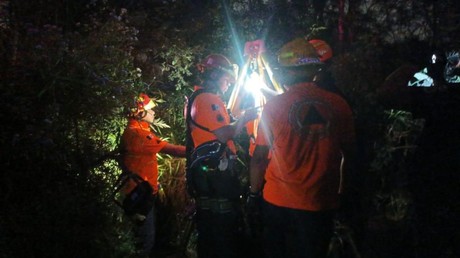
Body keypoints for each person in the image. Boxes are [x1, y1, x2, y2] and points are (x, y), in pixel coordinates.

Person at [248, 38, 356, 258]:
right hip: (320, 204)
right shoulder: (339, 105)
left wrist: (253, 193)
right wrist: (344, 194)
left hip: (277, 202)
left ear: (285, 72)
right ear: (315, 70)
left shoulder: (274, 106)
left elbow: (259, 158)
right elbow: (351, 156)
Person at [184, 54, 258, 258]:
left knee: (211, 225)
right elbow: (225, 133)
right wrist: (245, 119)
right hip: (216, 175)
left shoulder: (198, 97)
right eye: (227, 79)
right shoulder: (208, 99)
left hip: (207, 175)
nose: (228, 84)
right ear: (216, 76)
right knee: (223, 227)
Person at [120, 92, 186, 257]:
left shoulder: (134, 131)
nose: (154, 113)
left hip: (137, 193)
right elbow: (172, 150)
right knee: (144, 241)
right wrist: (199, 150)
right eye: (150, 110)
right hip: (139, 196)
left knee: (141, 237)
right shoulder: (139, 135)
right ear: (139, 112)